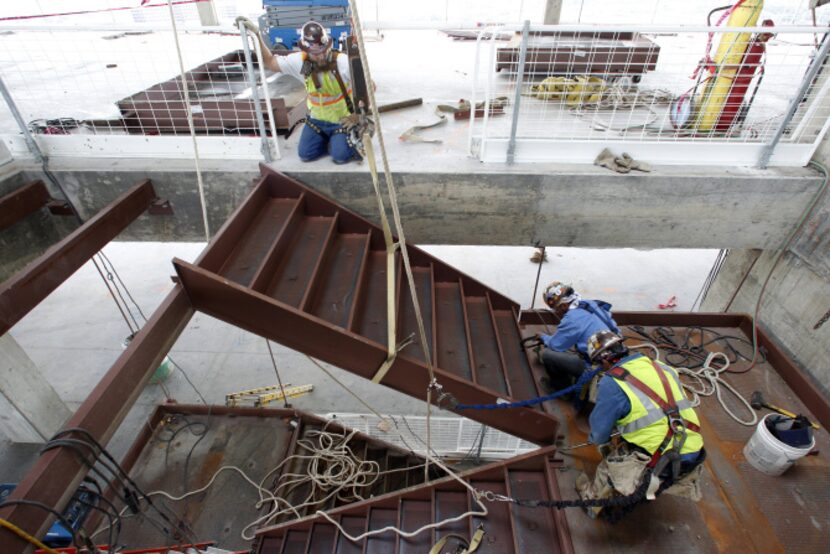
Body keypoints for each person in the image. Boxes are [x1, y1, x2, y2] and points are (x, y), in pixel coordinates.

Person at [576, 330, 706, 519]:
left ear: (604, 360)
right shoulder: (660, 366)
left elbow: (600, 434)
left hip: (661, 457)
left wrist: (597, 439)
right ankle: (648, 488)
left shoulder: (611, 383)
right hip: (694, 447)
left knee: (609, 466)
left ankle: (592, 503)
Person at [236, 18, 360, 164]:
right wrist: (256, 35)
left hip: (342, 121)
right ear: (305, 50)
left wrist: (358, 115)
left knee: (340, 156)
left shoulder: (342, 62)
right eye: (314, 53)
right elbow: (270, 62)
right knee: (305, 154)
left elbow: (368, 87)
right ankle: (332, 141)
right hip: (317, 121)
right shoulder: (301, 63)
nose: (320, 56)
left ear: (328, 46)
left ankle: (341, 141)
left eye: (322, 50)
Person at [536, 281, 620, 392]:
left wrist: (544, 337)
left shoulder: (571, 318)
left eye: (557, 309)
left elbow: (556, 346)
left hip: (597, 365)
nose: (557, 312)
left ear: (564, 305)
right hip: (617, 352)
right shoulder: (591, 304)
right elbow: (615, 329)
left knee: (547, 355)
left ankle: (561, 390)